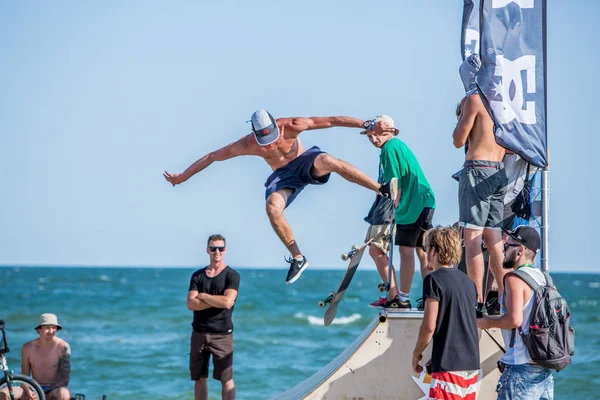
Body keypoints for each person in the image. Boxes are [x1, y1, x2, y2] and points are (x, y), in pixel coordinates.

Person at [164, 110, 399, 285]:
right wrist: (182, 177)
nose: (274, 142)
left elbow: (331, 121)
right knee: (272, 207)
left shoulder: (292, 125)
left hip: (306, 161)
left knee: (329, 161)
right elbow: (212, 156)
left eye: (274, 136)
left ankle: (381, 188)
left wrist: (366, 124)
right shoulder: (246, 144)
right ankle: (298, 257)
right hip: (284, 176)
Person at [363, 115, 435, 309]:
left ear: (388, 132)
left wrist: (395, 210)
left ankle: (402, 298)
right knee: (423, 252)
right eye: (369, 136)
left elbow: (394, 184)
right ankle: (430, 298)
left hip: (411, 206)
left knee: (406, 251)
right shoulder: (399, 146)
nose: (373, 139)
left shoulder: (388, 148)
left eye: (376, 135)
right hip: (426, 201)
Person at [477, 226, 554, 400]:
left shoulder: (514, 279)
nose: (503, 249)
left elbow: (514, 319)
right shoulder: (546, 280)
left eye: (507, 246)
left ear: (520, 250)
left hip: (520, 368)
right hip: (544, 369)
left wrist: (487, 322)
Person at [453, 92, 508, 313]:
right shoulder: (506, 102)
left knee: (472, 237)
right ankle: (504, 297)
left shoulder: (474, 99)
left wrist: (462, 118)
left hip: (477, 169)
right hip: (499, 171)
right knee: (494, 239)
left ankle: (476, 302)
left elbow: (458, 140)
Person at [412, 226, 481, 400]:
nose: (425, 252)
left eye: (426, 248)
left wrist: (417, 353)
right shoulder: (468, 282)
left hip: (449, 367)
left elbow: (429, 326)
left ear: (434, 251)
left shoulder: (433, 279)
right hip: (471, 365)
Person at [187, 234, 240, 400]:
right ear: (207, 250)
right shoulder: (198, 276)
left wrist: (202, 295)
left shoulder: (232, 275)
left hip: (222, 334)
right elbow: (190, 304)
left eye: (220, 248)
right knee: (199, 378)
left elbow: (227, 302)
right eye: (213, 248)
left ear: (225, 250)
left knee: (226, 379)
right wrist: (218, 301)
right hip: (199, 333)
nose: (217, 251)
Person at [21, 313, 71, 400]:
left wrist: (45, 393)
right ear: (39, 329)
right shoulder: (27, 347)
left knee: (64, 394)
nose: (51, 331)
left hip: (54, 389)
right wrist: (28, 389)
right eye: (47, 327)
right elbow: (24, 377)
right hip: (34, 387)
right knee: (4, 393)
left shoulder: (63, 347)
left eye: (54, 327)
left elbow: (64, 380)